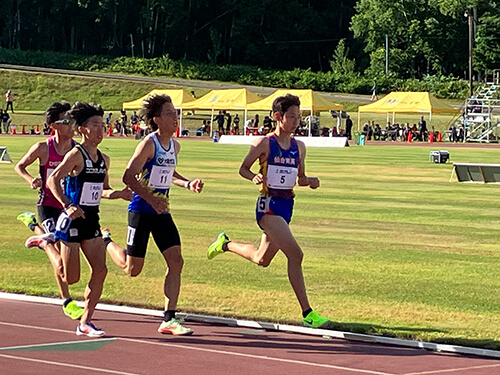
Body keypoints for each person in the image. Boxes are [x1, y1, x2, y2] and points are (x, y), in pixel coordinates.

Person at [207, 94, 331, 329]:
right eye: (291, 117)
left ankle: (225, 244)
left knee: (261, 259)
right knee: (296, 255)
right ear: (278, 117)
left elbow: (300, 179)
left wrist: (311, 181)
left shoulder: (299, 147)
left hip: (286, 207)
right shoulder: (264, 143)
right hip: (268, 207)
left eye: (298, 117)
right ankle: (308, 313)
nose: (296, 122)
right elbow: (243, 169)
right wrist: (253, 176)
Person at [105, 94, 203, 336]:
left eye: (176, 113)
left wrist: (187, 183)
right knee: (132, 269)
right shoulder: (149, 144)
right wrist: (151, 199)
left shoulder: (175, 146)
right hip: (141, 210)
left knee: (176, 261)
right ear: (157, 119)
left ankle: (169, 318)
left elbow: (169, 172)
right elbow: (128, 177)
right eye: (170, 114)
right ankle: (106, 240)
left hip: (161, 212)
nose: (175, 118)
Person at [47, 102, 132, 337]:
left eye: (102, 126)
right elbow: (53, 179)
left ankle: (85, 321)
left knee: (101, 270)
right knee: (70, 277)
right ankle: (46, 244)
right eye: (95, 125)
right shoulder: (76, 154)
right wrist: (67, 205)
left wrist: (120, 194)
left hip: (92, 220)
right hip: (72, 221)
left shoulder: (104, 159)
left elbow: (103, 189)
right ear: (83, 129)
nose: (100, 130)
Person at [15, 101, 84, 320]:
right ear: (54, 125)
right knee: (59, 258)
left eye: (71, 119)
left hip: (66, 206)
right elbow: (20, 166)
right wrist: (30, 179)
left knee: (66, 253)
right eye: (66, 121)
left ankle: (34, 228)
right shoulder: (43, 148)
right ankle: (67, 300)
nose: (71, 124)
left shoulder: (76, 150)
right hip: (47, 205)